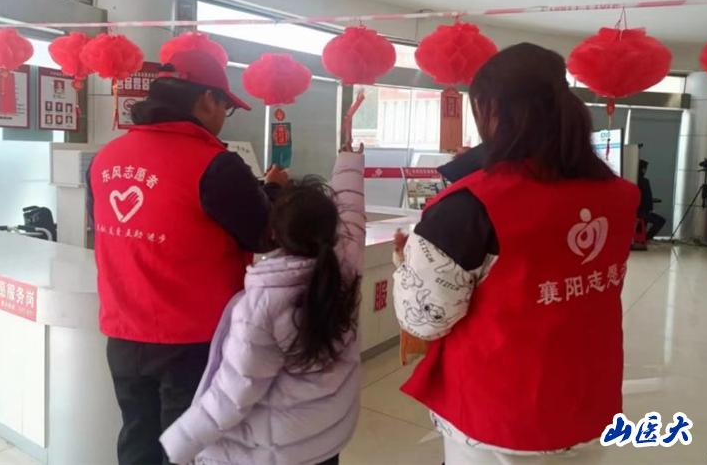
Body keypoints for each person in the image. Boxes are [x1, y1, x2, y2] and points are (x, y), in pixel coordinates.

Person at [393, 43, 639, 461]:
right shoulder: (619, 195)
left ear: (492, 111)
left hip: (498, 411)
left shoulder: (468, 206)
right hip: (585, 397)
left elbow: (424, 319)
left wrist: (407, 262)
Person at [87, 49, 288, 465]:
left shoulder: (106, 158)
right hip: (192, 340)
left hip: (123, 332)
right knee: (189, 449)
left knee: (137, 437)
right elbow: (265, 235)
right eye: (226, 107)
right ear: (207, 99)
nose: (224, 117)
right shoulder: (215, 164)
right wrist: (273, 191)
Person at [159, 144, 365, 465]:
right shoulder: (344, 267)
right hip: (325, 438)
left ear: (273, 234)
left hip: (278, 450)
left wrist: (180, 441)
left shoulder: (262, 304)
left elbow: (233, 394)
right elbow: (352, 214)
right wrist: (350, 161)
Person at [638, 159, 666, 240]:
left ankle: (640, 237)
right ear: (643, 169)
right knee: (660, 221)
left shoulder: (631, 179)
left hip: (635, 212)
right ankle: (647, 238)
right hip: (642, 212)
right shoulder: (645, 181)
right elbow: (647, 198)